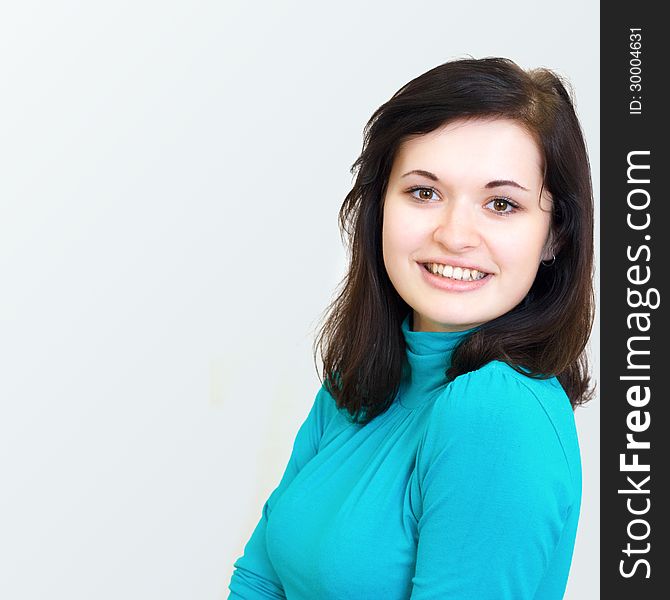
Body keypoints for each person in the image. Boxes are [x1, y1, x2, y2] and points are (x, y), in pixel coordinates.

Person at [228, 56, 595, 599]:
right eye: (424, 192)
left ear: (554, 236)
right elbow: (260, 579)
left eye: (501, 204)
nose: (454, 235)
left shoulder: (498, 411)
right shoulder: (360, 378)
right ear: (380, 208)